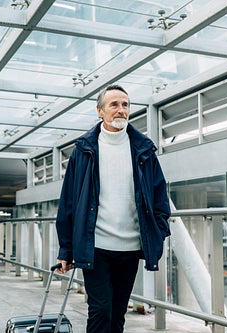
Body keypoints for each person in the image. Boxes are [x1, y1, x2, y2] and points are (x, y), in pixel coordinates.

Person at [55, 84, 171, 333]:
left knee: (118, 313)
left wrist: (158, 233)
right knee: (100, 310)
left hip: (130, 247)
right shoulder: (84, 149)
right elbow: (69, 201)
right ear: (100, 111)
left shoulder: (144, 149)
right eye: (114, 105)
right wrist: (66, 249)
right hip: (95, 246)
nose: (121, 110)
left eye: (125, 105)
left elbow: (160, 197)